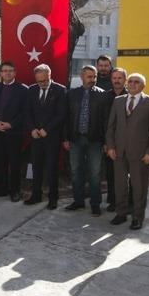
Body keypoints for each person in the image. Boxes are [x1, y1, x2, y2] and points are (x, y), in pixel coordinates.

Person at [106, 73, 149, 230]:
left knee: (139, 187)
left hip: (140, 153)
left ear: (143, 86)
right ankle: (121, 213)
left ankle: (137, 217)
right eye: (130, 81)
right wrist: (110, 146)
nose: (132, 84)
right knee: (120, 185)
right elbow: (111, 126)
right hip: (119, 151)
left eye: (136, 82)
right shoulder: (118, 101)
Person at [63, 65, 109, 216]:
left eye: (94, 77)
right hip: (75, 139)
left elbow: (106, 121)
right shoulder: (71, 94)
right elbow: (66, 118)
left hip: (95, 140)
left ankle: (95, 204)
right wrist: (66, 138)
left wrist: (106, 142)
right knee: (76, 172)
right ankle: (78, 201)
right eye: (89, 77)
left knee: (95, 173)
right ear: (82, 77)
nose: (92, 80)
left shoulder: (102, 95)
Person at [24, 64, 66, 209]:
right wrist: (32, 129)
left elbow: (61, 114)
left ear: (49, 75)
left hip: (52, 137)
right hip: (36, 137)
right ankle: (36, 195)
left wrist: (47, 129)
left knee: (51, 168)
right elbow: (27, 112)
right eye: (39, 81)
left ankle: (53, 198)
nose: (41, 84)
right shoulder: (31, 90)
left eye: (44, 80)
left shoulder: (60, 90)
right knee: (36, 167)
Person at [0, 61, 28, 202]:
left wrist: (11, 124)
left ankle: (15, 191)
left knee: (14, 163)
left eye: (10, 71)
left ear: (15, 72)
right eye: (4, 71)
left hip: (13, 133)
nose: (7, 73)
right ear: (1, 73)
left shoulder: (23, 90)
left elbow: (25, 112)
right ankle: (1, 189)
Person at [104, 67, 128, 211]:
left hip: (127, 143)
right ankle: (113, 201)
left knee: (126, 175)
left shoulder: (131, 96)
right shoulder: (105, 97)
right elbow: (102, 121)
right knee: (111, 174)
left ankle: (127, 202)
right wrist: (106, 143)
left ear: (125, 79)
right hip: (110, 142)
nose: (117, 81)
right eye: (114, 78)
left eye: (120, 78)